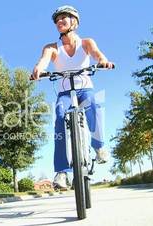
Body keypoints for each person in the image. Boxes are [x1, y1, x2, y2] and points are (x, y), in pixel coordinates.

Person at [31, 5, 114, 189]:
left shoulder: (86, 43)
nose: (59, 21)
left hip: (85, 89)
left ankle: (99, 146)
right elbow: (44, 60)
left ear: (74, 22)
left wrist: (103, 61)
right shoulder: (52, 47)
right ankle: (62, 172)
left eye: (64, 18)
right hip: (65, 93)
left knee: (93, 104)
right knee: (60, 116)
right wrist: (39, 68)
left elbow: (97, 54)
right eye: (57, 19)